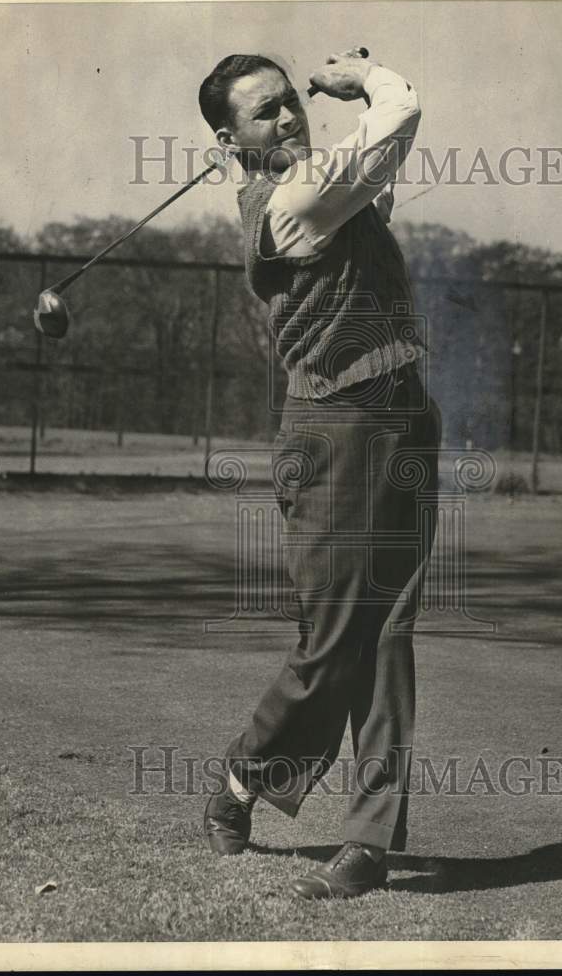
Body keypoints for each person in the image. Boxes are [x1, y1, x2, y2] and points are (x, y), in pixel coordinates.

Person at [198, 47, 441, 899]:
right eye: (263, 113)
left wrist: (350, 108)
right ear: (232, 141)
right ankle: (241, 777)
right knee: (333, 640)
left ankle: (368, 841)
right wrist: (362, 79)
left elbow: (377, 168)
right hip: (331, 428)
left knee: (389, 633)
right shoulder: (290, 203)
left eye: (288, 103)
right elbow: (396, 118)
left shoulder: (325, 186)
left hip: (403, 415)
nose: (288, 118)